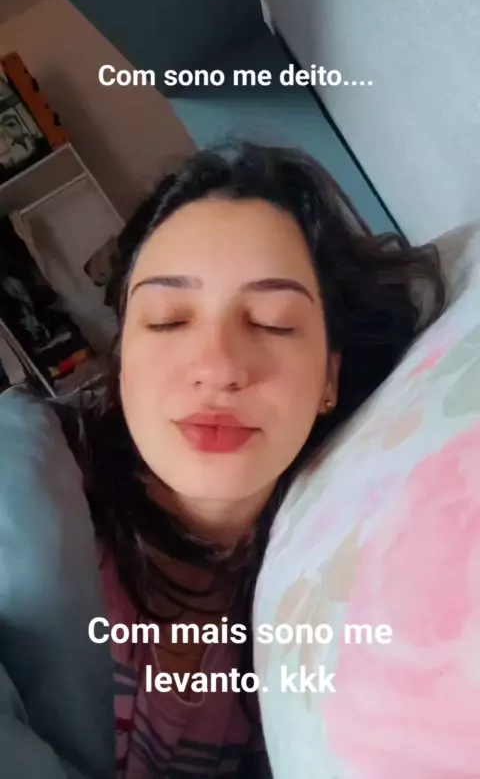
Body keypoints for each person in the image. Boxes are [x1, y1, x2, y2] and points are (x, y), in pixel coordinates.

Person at [0, 142, 446, 778]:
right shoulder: (22, 500)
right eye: (167, 320)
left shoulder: (339, 584)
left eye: (271, 322)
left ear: (328, 378)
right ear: (123, 360)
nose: (217, 367)